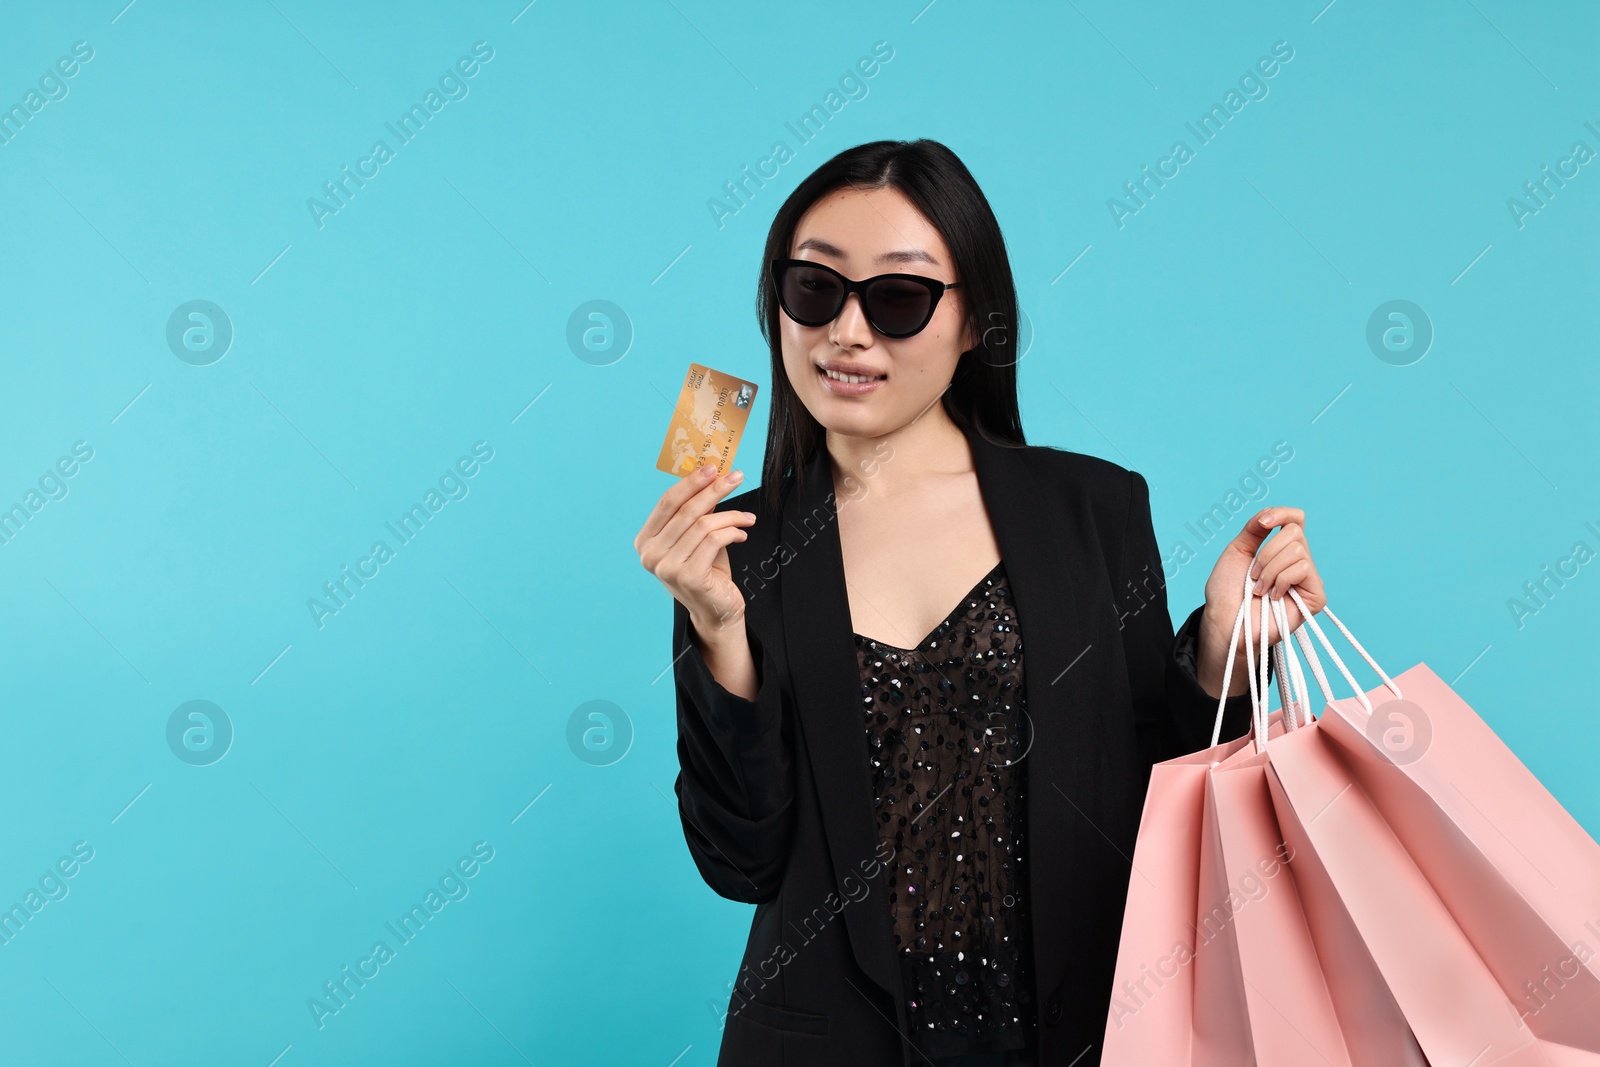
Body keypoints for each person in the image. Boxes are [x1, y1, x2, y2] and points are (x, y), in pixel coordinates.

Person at [633, 138, 1325, 1067]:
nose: (847, 333)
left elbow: (1167, 801)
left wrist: (1221, 651)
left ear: (974, 326)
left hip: (1076, 1035)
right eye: (815, 288)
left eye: (899, 298)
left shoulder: (1092, 509)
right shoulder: (731, 550)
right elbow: (739, 861)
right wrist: (718, 629)